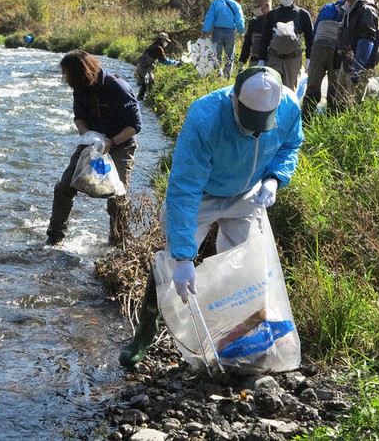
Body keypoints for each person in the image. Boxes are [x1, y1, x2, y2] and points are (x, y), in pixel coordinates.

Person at [119, 66, 304, 368]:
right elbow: (184, 188)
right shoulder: (205, 116)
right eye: (249, 122)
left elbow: (290, 145)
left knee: (248, 268)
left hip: (248, 193)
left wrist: (274, 178)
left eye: (262, 125)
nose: (255, 131)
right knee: (169, 263)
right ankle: (145, 331)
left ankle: (244, 339)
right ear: (234, 99)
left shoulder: (287, 106)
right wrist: (182, 258)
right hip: (202, 193)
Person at [46, 50, 142, 247]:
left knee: (118, 195)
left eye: (70, 75)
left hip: (120, 145)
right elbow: (79, 118)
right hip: (92, 145)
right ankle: (55, 237)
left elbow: (135, 126)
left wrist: (110, 143)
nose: (67, 79)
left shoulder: (117, 87)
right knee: (64, 187)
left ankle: (119, 243)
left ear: (85, 71)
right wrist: (88, 136)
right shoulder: (80, 87)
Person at [258, 0, 314, 91]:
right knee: (271, 90)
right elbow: (265, 38)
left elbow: (310, 38)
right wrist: (261, 59)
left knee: (290, 91)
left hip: (292, 60)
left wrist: (309, 57)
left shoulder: (302, 14)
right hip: (274, 58)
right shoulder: (272, 14)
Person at [337, 0, 379, 108]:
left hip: (356, 69)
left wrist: (358, 68)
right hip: (347, 64)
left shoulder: (365, 9)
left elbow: (367, 40)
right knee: (341, 105)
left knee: (353, 106)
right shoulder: (350, 8)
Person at [302, 0, 344, 119]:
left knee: (313, 86)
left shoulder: (326, 8)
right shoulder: (350, 10)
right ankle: (331, 120)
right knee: (334, 88)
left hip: (319, 47)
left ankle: (306, 120)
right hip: (336, 50)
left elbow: (315, 32)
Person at [201, 0, 246, 78]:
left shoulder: (215, 3)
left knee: (216, 55)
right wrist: (241, 31)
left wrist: (205, 31)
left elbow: (209, 18)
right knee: (229, 55)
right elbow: (239, 20)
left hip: (217, 32)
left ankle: (217, 74)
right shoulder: (236, 5)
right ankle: (227, 75)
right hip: (230, 33)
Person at [135, 32, 180, 101]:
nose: (166, 43)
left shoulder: (153, 45)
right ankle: (150, 102)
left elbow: (159, 59)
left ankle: (139, 101)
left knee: (143, 87)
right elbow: (164, 61)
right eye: (166, 41)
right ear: (162, 40)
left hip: (139, 68)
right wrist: (175, 62)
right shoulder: (158, 48)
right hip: (145, 70)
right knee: (152, 87)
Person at [238, 0, 272, 68]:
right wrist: (242, 61)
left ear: (267, 6)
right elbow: (247, 43)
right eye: (254, 7)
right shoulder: (254, 23)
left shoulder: (276, 21)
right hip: (254, 62)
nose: (255, 10)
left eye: (257, 7)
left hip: (271, 62)